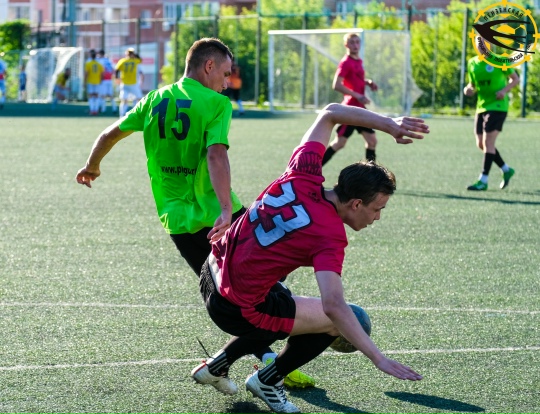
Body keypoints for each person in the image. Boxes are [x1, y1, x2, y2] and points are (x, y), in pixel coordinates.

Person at [75, 37, 314, 389]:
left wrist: (92, 165)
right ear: (209, 66)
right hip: (220, 215)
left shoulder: (154, 99)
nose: (227, 82)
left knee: (235, 295)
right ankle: (274, 365)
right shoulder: (216, 103)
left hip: (178, 221)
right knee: (262, 287)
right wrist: (225, 210)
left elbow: (110, 133)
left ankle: (263, 362)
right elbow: (216, 155)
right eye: (226, 73)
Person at [190, 103, 428, 413]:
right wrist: (378, 358)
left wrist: (389, 124)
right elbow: (334, 306)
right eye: (377, 209)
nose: (378, 217)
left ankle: (217, 365)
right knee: (345, 320)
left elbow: (330, 112)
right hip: (234, 308)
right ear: (356, 204)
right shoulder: (330, 235)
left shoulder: (302, 172)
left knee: (280, 296)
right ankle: (267, 380)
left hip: (211, 271)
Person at [322, 33, 379, 166]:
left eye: (357, 42)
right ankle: (312, 170)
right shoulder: (345, 62)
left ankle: (371, 175)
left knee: (372, 141)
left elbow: (354, 80)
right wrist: (358, 95)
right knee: (339, 143)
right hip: (350, 109)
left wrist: (367, 82)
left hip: (359, 108)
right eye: (352, 42)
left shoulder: (358, 61)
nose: (355, 45)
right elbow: (336, 85)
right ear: (346, 45)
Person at [463, 56, 519, 191]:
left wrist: (504, 91)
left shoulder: (500, 60)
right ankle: (506, 169)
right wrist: (468, 89)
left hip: (498, 106)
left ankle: (483, 180)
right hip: (481, 107)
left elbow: (515, 79)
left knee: (488, 143)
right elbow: (472, 84)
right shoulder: (472, 63)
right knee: (481, 144)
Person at [115, 47, 143, 117]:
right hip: (131, 83)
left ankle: (122, 115)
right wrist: (135, 55)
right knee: (138, 99)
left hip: (126, 83)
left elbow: (116, 70)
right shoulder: (135, 61)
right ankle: (135, 114)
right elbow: (140, 59)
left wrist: (117, 78)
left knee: (125, 100)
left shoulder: (122, 61)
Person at [96, 49, 117, 114]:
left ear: (100, 54)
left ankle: (103, 109)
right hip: (109, 79)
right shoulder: (108, 60)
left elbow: (101, 71)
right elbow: (113, 69)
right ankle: (114, 108)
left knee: (102, 95)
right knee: (111, 95)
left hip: (103, 79)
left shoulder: (100, 61)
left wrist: (100, 78)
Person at [85, 49, 104, 116]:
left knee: (90, 96)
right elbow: (102, 73)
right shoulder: (99, 64)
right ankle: (96, 110)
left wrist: (84, 81)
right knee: (96, 96)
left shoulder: (88, 63)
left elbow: (86, 73)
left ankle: (92, 110)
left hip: (90, 81)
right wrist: (101, 80)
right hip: (97, 81)